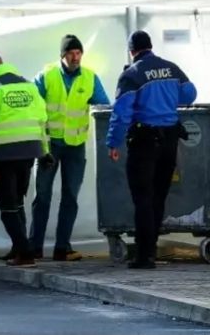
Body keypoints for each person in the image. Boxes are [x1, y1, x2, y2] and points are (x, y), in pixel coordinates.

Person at [106, 30, 196, 269]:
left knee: (143, 198)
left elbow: (121, 113)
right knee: (158, 197)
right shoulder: (171, 68)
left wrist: (113, 143)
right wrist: (165, 99)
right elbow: (190, 93)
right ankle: (151, 249)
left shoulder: (132, 74)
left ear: (132, 51)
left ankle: (145, 256)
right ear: (151, 46)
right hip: (169, 141)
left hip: (145, 141)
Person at [30, 34, 110, 261]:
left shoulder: (89, 77)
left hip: (75, 146)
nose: (75, 58)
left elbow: (104, 105)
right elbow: (33, 107)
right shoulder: (47, 76)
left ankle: (62, 247)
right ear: (62, 55)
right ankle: (35, 247)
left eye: (78, 53)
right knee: (42, 196)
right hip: (49, 146)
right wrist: (39, 143)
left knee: (70, 197)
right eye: (71, 54)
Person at [0, 51, 48, 267]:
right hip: (30, 152)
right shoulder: (29, 85)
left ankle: (25, 253)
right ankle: (19, 247)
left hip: (5, 154)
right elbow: (42, 120)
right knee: (18, 203)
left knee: (8, 206)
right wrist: (45, 151)